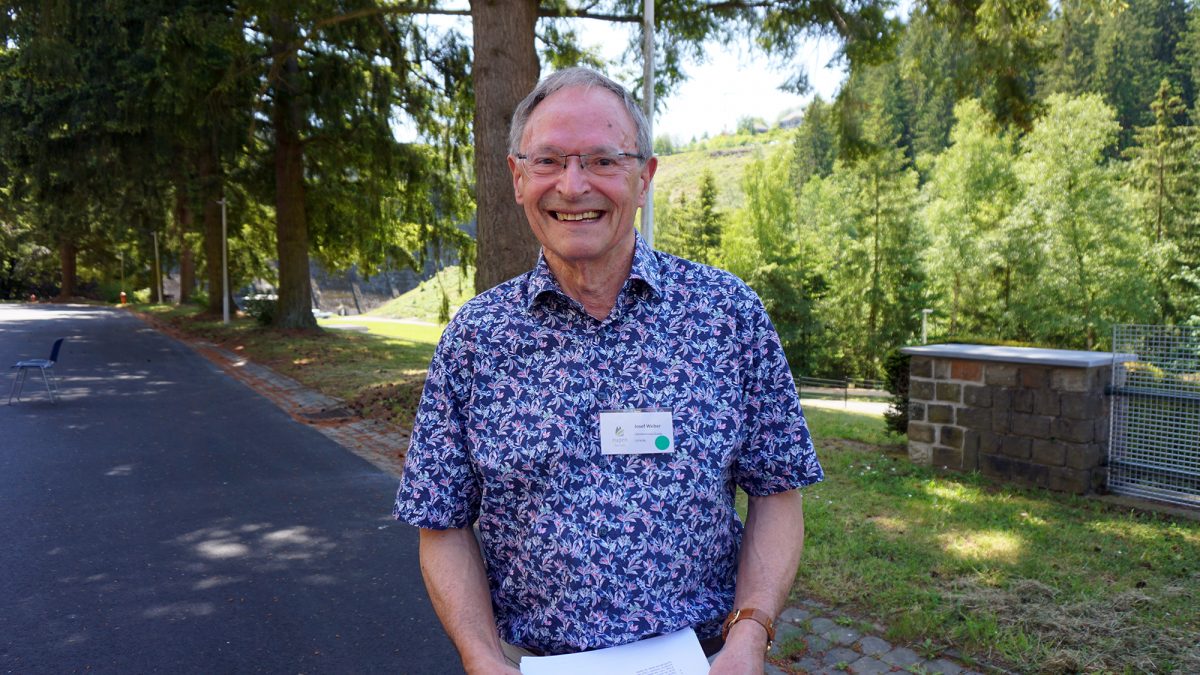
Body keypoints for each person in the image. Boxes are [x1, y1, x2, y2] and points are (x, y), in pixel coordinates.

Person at [393, 67, 823, 675]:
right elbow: (441, 520)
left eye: (601, 160)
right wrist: (481, 657)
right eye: (549, 161)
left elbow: (777, 488)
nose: (573, 185)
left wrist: (750, 634)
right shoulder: (476, 339)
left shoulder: (726, 315)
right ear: (518, 179)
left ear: (643, 177)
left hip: (702, 663)